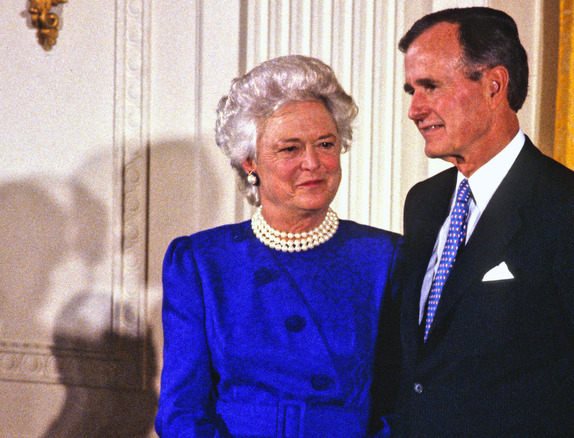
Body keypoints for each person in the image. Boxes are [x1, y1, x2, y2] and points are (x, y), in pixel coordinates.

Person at [392, 7, 574, 437]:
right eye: (411, 90)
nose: (415, 110)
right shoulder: (424, 203)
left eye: (430, 86)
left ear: (494, 85)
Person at [155, 55, 400, 437]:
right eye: (290, 149)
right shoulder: (202, 263)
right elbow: (181, 411)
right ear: (249, 160)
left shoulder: (385, 258)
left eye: (325, 144)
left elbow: (400, 405)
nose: (313, 163)